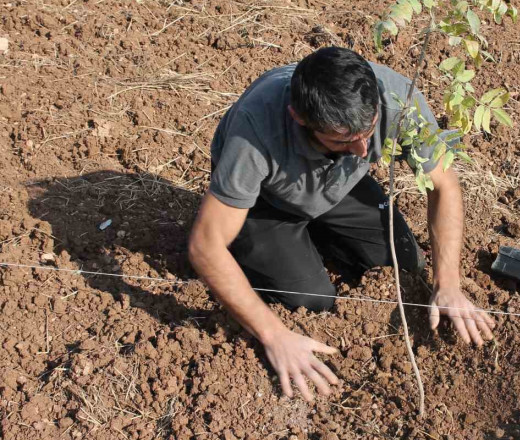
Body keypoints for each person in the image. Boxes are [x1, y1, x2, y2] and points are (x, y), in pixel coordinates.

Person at [188, 47, 496, 402]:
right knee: (312, 300)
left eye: (368, 131)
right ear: (299, 118)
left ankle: (319, 227)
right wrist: (274, 335)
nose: (364, 150)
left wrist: (450, 284)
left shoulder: (397, 97)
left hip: (339, 183)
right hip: (265, 203)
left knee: (407, 267)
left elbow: (445, 184)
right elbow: (204, 246)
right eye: (344, 140)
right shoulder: (256, 129)